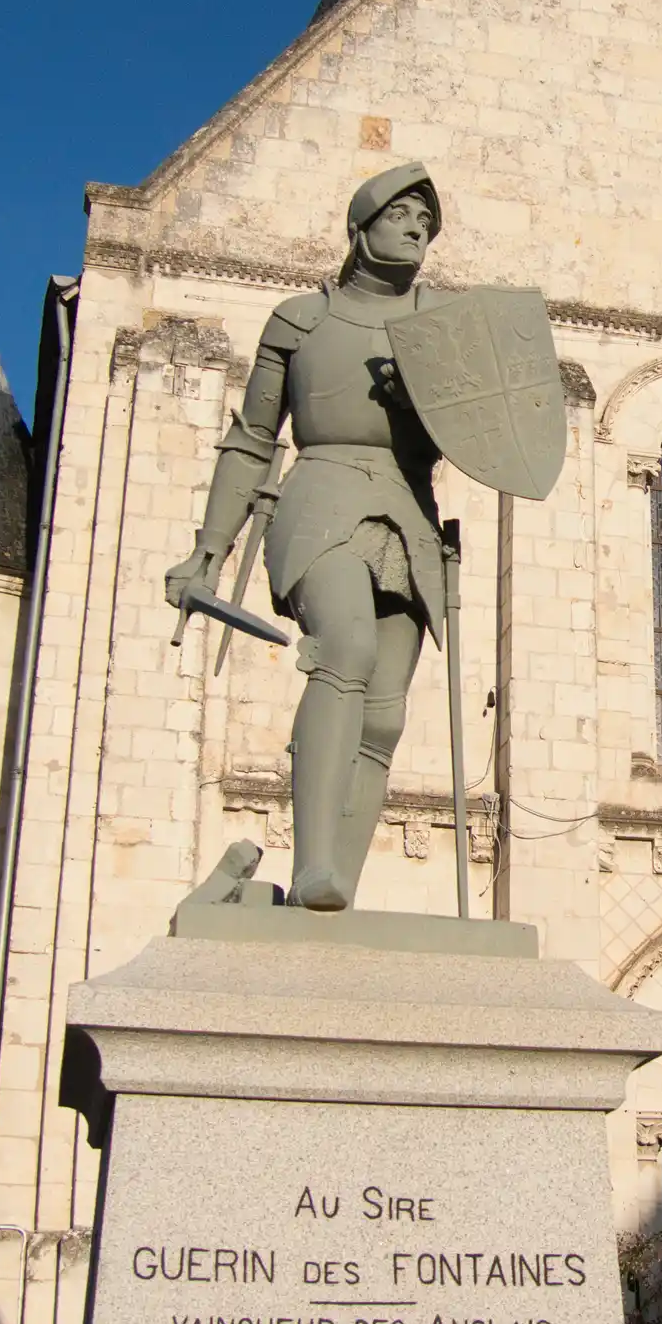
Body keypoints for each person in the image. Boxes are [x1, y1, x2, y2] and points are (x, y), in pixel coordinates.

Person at [165, 163, 447, 910]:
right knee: (345, 651)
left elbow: (488, 433)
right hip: (323, 494)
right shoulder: (300, 319)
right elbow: (254, 439)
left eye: (425, 220)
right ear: (360, 229)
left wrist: (430, 400)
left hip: (410, 514)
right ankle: (315, 864)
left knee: (383, 715)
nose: (416, 228)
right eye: (400, 214)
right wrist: (208, 550)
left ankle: (332, 892)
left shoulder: (442, 329)